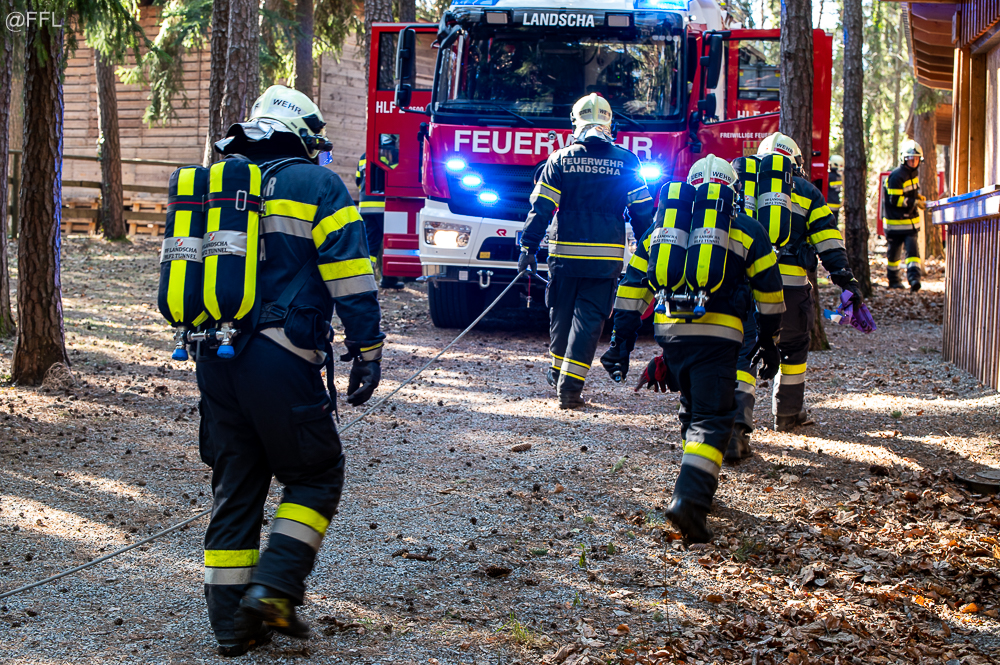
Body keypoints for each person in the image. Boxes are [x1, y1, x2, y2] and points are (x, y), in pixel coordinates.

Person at [201, 85, 384, 656]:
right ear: (303, 137)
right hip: (279, 357)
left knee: (237, 481)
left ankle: (232, 626)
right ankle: (275, 590)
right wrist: (368, 348)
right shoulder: (318, 185)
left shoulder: (215, 182)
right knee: (316, 473)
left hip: (214, 354)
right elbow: (351, 276)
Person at [601, 155, 785, 542]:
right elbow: (770, 295)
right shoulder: (746, 228)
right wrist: (770, 342)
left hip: (670, 336)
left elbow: (632, 289)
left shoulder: (662, 229)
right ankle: (690, 501)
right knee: (714, 418)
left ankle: (697, 486)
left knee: (691, 406)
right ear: (732, 191)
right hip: (719, 337)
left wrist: (620, 343)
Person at [518, 93, 654, 409]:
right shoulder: (627, 161)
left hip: (564, 256)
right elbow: (643, 213)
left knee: (561, 315)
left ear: (574, 123)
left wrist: (528, 248)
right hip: (604, 260)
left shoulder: (559, 159)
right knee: (589, 322)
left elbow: (541, 208)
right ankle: (569, 388)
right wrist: (650, 251)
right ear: (610, 123)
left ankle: (557, 372)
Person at [756, 133, 864, 432]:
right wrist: (846, 280)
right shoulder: (807, 191)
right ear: (796, 162)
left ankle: (738, 423)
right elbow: (828, 242)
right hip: (791, 289)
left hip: (747, 288)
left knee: (743, 350)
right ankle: (787, 414)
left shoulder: (743, 187)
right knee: (793, 348)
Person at [355, 136, 402, 289]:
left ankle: (363, 278)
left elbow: (358, 180)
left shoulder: (364, 156)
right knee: (390, 244)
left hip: (365, 207)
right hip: (385, 206)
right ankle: (388, 279)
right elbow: (397, 176)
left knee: (370, 244)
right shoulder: (393, 154)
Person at [882, 139, 924, 291]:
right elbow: (895, 200)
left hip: (910, 224)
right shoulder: (896, 176)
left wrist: (917, 197)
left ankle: (914, 280)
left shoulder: (913, 174)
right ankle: (894, 281)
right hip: (895, 224)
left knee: (913, 254)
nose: (913, 162)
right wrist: (914, 202)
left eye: (916, 159)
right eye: (910, 159)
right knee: (894, 256)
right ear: (904, 159)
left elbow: (909, 193)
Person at [828, 155, 843, 225]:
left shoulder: (829, 176)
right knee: (834, 223)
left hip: (829, 204)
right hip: (836, 204)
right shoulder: (839, 177)